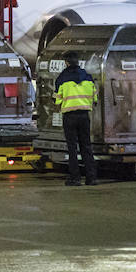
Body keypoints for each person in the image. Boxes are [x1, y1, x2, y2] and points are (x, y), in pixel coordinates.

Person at [55, 50, 98, 186]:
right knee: (86, 146)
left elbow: (57, 100)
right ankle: (91, 178)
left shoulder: (62, 78)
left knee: (72, 148)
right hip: (84, 116)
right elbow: (95, 98)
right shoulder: (88, 77)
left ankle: (75, 178)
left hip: (70, 116)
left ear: (66, 62)